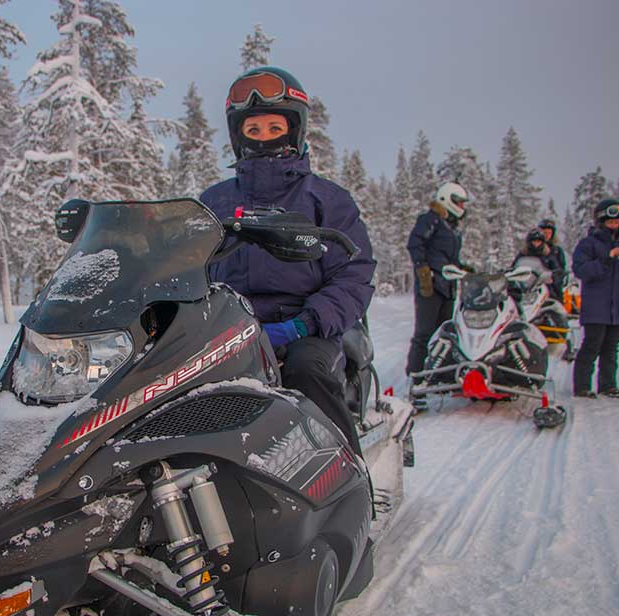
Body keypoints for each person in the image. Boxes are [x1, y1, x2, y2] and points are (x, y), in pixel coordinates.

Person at [199, 66, 375, 450]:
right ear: (238, 135)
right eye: (254, 130)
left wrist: (305, 322)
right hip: (228, 330)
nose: (264, 139)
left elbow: (354, 273)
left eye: (274, 129)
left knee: (305, 372)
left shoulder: (327, 200)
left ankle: (348, 479)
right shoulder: (215, 202)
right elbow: (185, 265)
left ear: (294, 131)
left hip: (305, 329)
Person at [571, 198, 619, 398]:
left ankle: (608, 385)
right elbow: (581, 269)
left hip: (618, 305)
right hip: (596, 305)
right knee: (592, 344)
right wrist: (607, 258)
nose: (614, 225)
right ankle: (582, 386)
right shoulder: (589, 244)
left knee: (611, 347)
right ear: (601, 221)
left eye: (617, 222)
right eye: (610, 222)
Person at [405, 181, 470, 377]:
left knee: (445, 332)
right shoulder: (431, 219)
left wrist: (463, 268)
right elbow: (415, 243)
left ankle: (441, 373)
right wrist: (423, 269)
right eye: (459, 202)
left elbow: (449, 257)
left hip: (448, 286)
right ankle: (415, 376)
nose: (462, 207)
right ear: (447, 198)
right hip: (431, 286)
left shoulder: (452, 227)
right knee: (424, 333)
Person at [538, 218, 568, 301]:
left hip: (552, 286)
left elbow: (561, 269)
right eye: (544, 233)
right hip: (535, 285)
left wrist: (555, 277)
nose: (546, 235)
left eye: (549, 233)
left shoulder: (557, 251)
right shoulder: (533, 249)